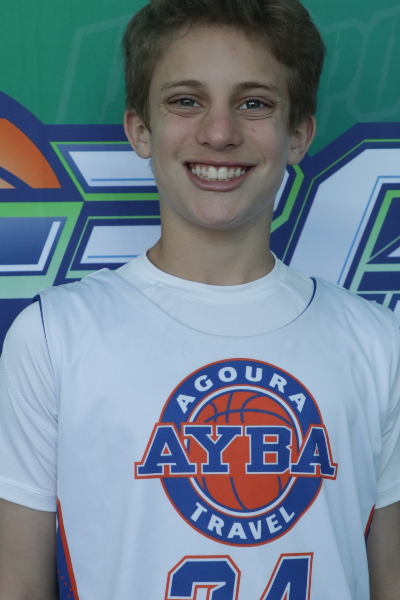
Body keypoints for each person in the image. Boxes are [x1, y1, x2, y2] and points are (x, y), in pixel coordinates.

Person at [0, 0, 399, 598]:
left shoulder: (378, 343)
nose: (219, 132)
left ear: (297, 134)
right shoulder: (55, 336)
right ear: (140, 129)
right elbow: (18, 584)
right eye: (186, 101)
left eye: (254, 103)